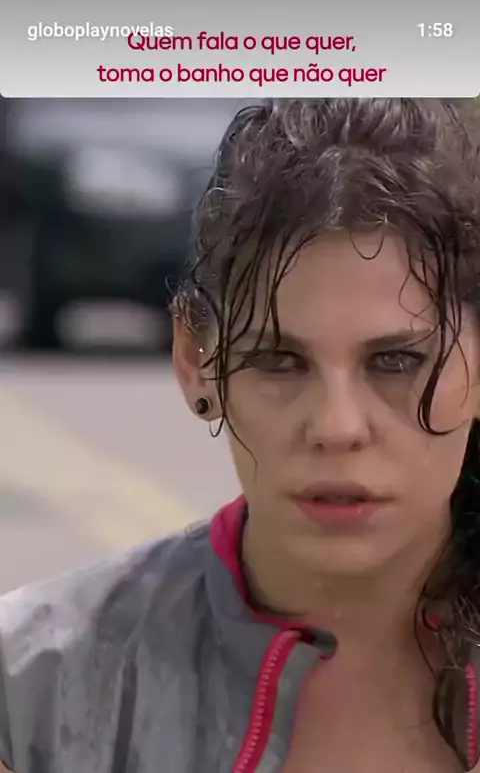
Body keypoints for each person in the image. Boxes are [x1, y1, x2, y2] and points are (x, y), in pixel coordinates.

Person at [0, 97, 480, 773]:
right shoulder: (32, 696)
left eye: (396, 361)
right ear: (196, 361)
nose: (337, 427)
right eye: (278, 361)